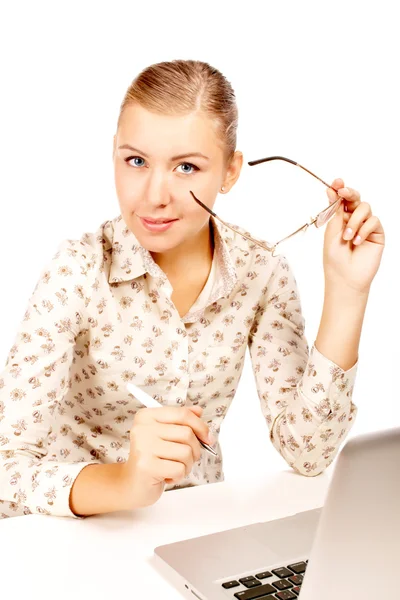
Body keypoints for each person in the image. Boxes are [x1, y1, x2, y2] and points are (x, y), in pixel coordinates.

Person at [0, 59, 385, 520]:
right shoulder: (78, 270)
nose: (154, 195)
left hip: (190, 531)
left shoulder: (261, 273)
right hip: (68, 538)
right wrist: (126, 483)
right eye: (136, 161)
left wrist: (347, 291)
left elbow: (309, 452)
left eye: (186, 167)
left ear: (230, 171)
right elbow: (8, 468)